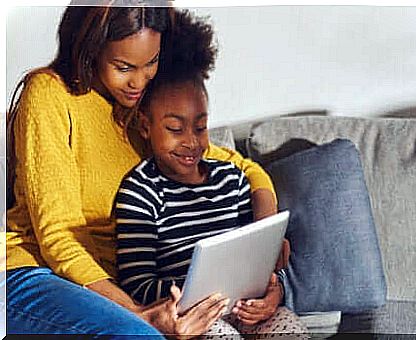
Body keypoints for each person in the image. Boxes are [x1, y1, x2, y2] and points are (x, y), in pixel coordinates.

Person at [5, 3, 278, 337]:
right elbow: (57, 236)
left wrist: (268, 233)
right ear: (91, 49)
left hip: (110, 288)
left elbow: (246, 168)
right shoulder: (49, 94)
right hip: (33, 273)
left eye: (151, 63)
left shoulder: (141, 111)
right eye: (123, 66)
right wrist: (137, 313)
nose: (138, 81)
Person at [113, 10, 308, 339]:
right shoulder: (141, 191)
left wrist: (274, 293)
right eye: (175, 128)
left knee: (289, 327)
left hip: (247, 309)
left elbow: (261, 259)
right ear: (145, 126)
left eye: (201, 127)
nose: (191, 141)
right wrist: (196, 291)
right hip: (194, 319)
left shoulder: (230, 179)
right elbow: (136, 284)